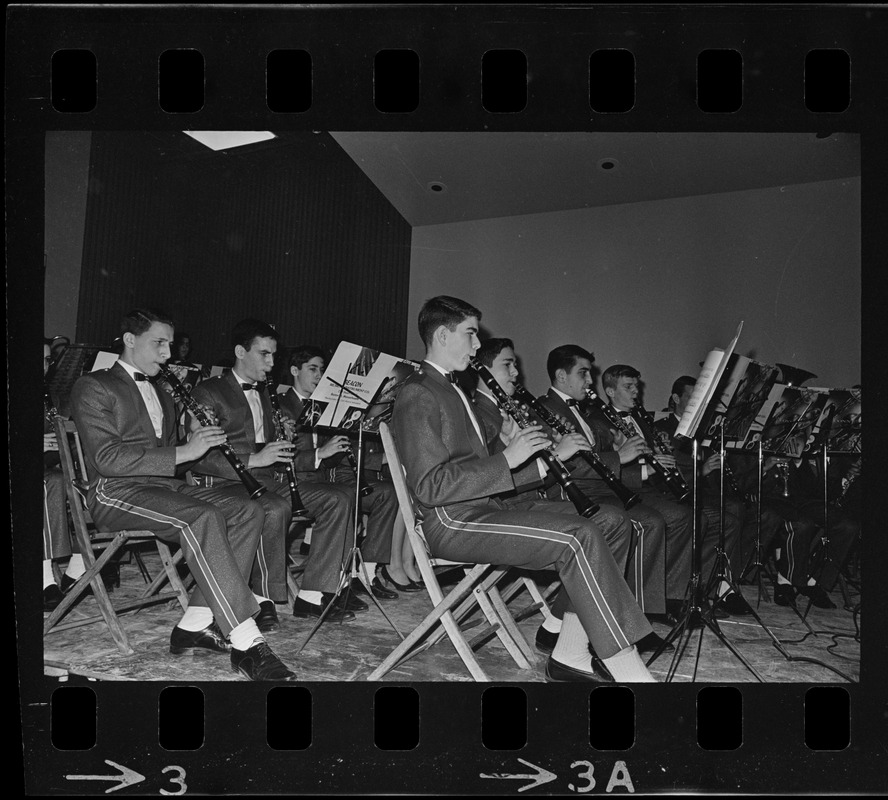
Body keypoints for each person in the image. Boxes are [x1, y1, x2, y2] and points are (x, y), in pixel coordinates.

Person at [392, 296, 657, 682]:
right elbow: (431, 486)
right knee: (576, 536)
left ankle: (569, 653)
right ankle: (630, 671)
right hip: (453, 521)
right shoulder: (419, 391)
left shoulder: (455, 390)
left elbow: (483, 470)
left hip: (488, 508)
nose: (477, 344)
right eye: (470, 334)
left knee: (612, 522)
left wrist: (524, 456)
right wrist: (509, 458)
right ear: (443, 335)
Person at [70, 308, 296, 681]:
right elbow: (107, 459)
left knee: (247, 509)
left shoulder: (163, 389)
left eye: (169, 345)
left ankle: (194, 623)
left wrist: (198, 443)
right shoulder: (94, 385)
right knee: (201, 517)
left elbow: (175, 454)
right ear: (129, 340)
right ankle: (246, 641)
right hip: (114, 492)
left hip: (162, 488)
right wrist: (184, 453)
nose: (167, 354)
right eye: (158, 343)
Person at [473, 338, 670, 674]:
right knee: (605, 522)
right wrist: (525, 453)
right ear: (484, 368)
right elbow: (486, 475)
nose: (517, 371)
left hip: (532, 496)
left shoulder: (504, 409)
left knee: (611, 520)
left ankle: (566, 637)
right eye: (508, 364)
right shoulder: (479, 409)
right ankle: (604, 647)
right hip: (512, 506)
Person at [538, 348, 686, 626]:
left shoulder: (579, 410)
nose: (590, 381)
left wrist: (619, 451)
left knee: (657, 518)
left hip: (598, 489)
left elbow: (594, 452)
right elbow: (564, 466)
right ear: (561, 375)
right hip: (574, 493)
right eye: (583, 373)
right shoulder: (545, 409)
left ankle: (644, 611)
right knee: (648, 521)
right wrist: (621, 457)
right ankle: (628, 615)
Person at [188, 319, 307, 632]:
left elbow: (272, 449)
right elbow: (200, 456)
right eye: (264, 354)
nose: (271, 363)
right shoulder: (208, 392)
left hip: (265, 480)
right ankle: (262, 597)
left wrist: (284, 438)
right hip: (223, 482)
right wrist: (256, 457)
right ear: (240, 351)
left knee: (331, 497)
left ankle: (311, 592)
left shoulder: (269, 396)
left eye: (273, 356)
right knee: (275, 507)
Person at [653, 376, 751, 616]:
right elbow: (668, 474)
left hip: (701, 492)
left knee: (736, 510)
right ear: (676, 399)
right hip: (676, 493)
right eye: (692, 398)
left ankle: (722, 585)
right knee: (723, 521)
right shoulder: (662, 429)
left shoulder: (704, 431)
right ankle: (704, 589)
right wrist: (703, 469)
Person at [43, 339, 86, 611]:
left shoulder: (49, 395)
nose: (45, 366)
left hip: (50, 464)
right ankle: (45, 578)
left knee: (88, 477)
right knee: (54, 481)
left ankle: (78, 568)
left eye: (48, 360)